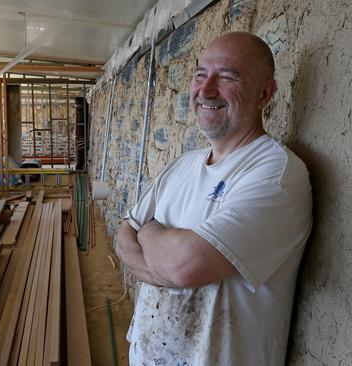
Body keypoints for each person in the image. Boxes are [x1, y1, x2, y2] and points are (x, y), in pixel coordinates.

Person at [115, 32, 313, 365]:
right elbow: (122, 239)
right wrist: (159, 254)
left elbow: (184, 266)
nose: (205, 91)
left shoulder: (276, 174)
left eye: (226, 78)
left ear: (264, 94)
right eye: (200, 75)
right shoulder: (182, 165)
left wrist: (148, 231)